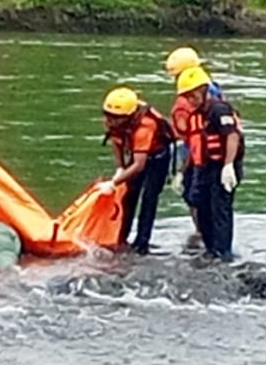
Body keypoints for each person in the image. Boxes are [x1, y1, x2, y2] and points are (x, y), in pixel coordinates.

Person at [176, 66, 243, 262]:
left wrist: (228, 165)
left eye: (193, 95)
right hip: (202, 169)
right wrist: (182, 172)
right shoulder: (195, 116)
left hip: (221, 168)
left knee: (220, 209)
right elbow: (193, 145)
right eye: (187, 97)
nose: (191, 100)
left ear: (205, 90)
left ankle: (223, 252)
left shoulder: (219, 109)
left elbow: (232, 135)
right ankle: (210, 248)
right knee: (200, 205)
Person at [99, 86, 175, 255]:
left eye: (115, 118)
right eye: (108, 116)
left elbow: (139, 165)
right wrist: (120, 168)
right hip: (137, 155)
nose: (111, 121)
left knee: (149, 198)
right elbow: (116, 141)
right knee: (128, 196)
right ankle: (121, 238)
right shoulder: (112, 120)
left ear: (128, 116)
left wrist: (113, 183)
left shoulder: (144, 127)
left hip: (157, 157)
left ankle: (142, 242)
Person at [165, 47, 205, 242]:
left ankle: (201, 232)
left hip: (194, 152)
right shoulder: (207, 91)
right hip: (196, 150)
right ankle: (202, 232)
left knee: (193, 194)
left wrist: (181, 169)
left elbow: (193, 137)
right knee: (195, 194)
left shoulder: (191, 99)